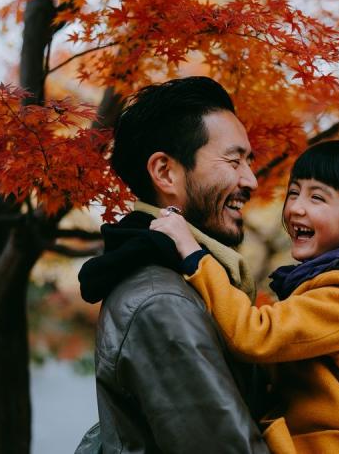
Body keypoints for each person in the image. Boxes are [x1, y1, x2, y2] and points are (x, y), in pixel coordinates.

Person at [150, 138, 339, 454]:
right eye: (294, 192)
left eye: (317, 198)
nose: (295, 207)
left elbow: (253, 334)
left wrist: (193, 253)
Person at [75, 77, 270, 453]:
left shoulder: (184, 280)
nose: (252, 180)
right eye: (234, 160)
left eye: (249, 161)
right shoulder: (163, 302)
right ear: (165, 172)